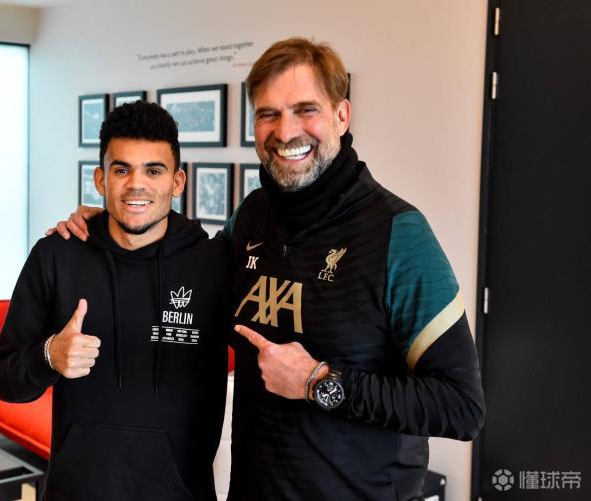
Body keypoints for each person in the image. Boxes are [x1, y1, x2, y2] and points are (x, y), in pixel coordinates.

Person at [55, 37, 485, 500]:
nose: (285, 131)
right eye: (268, 114)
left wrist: (318, 382)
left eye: (305, 110)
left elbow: (461, 408)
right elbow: (183, 273)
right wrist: (116, 221)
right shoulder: (253, 216)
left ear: (342, 115)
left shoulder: (399, 234)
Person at [0, 101, 232, 501]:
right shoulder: (56, 256)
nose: (136, 184)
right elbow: (6, 382)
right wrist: (49, 356)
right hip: (75, 493)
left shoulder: (215, 265)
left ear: (177, 182)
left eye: (153, 170)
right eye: (122, 170)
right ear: (101, 179)